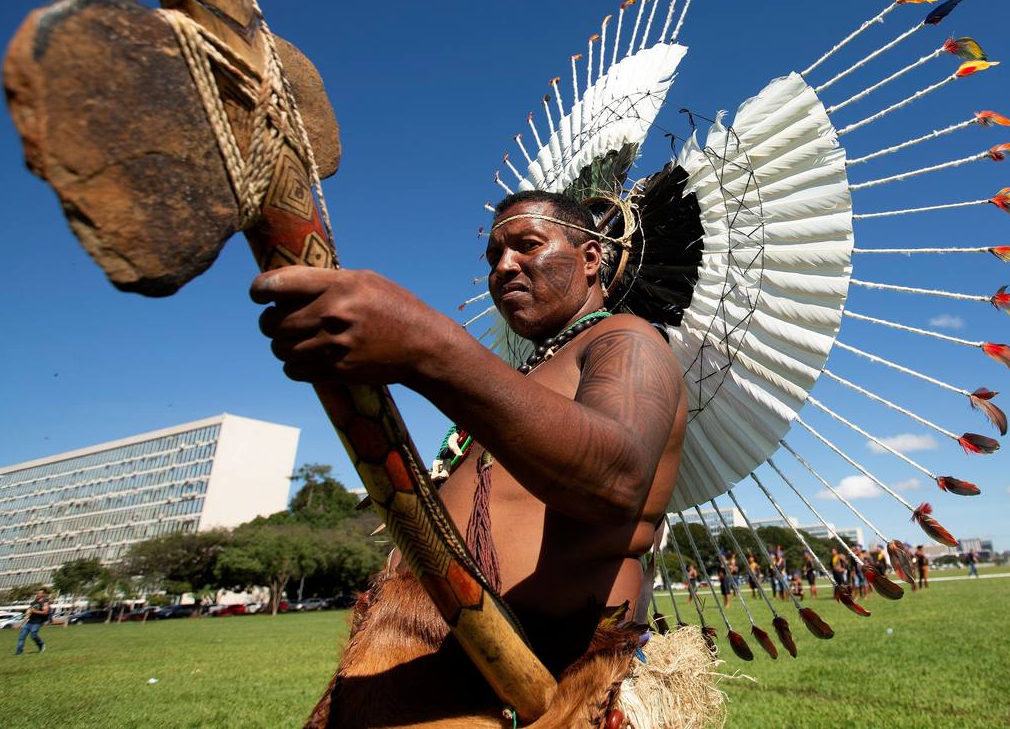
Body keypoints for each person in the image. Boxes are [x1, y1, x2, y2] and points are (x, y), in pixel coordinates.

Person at [254, 192, 689, 725]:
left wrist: (428, 346)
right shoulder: (523, 377)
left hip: (543, 688)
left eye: (528, 245)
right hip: (418, 664)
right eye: (493, 256)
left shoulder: (627, 339)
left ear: (591, 259)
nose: (503, 266)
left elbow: (614, 479)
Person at [15, 590, 49, 655]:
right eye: (37, 593)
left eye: (39, 593)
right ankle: (19, 653)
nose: (37, 594)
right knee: (22, 637)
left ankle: (41, 645)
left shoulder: (45, 603)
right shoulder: (33, 603)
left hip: (37, 622)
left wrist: (35, 611)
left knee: (33, 635)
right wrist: (21, 623)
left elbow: (45, 612)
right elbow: (28, 613)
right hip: (29, 622)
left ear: (43, 594)